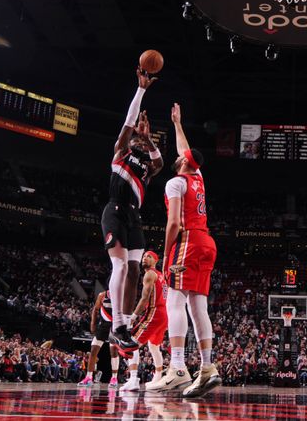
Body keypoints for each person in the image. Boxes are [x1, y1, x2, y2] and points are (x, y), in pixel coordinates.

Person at [153, 103, 222, 397]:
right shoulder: (198, 178)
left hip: (188, 241)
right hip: (207, 242)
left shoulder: (175, 182)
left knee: (174, 302)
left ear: (183, 163)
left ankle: (178, 367)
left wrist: (165, 254)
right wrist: (178, 124)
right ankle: (207, 368)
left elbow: (172, 224)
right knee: (198, 307)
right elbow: (186, 149)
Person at [102, 67, 164, 352]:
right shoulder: (121, 152)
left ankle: (124, 325)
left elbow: (161, 163)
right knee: (119, 265)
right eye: (137, 140)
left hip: (134, 217)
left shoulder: (147, 170)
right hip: (114, 210)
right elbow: (128, 121)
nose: (138, 142)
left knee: (135, 271)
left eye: (141, 141)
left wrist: (149, 138)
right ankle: (117, 325)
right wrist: (141, 90)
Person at [119, 251, 169, 392]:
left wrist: (133, 316)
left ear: (155, 261)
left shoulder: (150, 274)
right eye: (144, 256)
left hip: (154, 312)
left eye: (149, 257)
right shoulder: (161, 276)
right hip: (163, 314)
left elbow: (144, 298)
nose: (144, 258)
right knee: (154, 346)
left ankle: (134, 379)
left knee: (131, 343)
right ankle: (158, 377)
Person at [77, 290, 121, 388]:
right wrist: (93, 323)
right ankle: (88, 377)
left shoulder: (120, 294)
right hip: (103, 325)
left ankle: (114, 378)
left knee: (113, 351)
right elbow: (96, 309)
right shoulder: (102, 295)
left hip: (114, 326)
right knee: (93, 350)